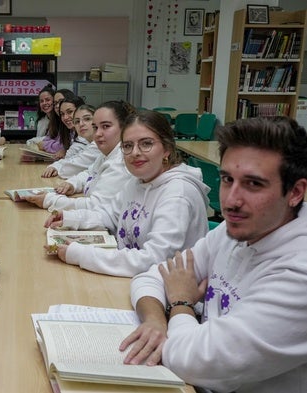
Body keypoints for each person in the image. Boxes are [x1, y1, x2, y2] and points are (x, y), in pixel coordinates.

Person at [121, 117, 307, 393]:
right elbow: (151, 276)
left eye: (254, 184)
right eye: (227, 179)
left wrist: (181, 302)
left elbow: (196, 362)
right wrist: (155, 321)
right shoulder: (236, 228)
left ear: (295, 192)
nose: (231, 201)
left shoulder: (298, 272)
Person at [43, 110, 209, 277]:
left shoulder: (178, 195)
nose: (135, 152)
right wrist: (70, 218)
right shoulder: (138, 180)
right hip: (135, 280)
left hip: (167, 292)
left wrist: (80, 254)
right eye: (128, 146)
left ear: (166, 149)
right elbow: (110, 215)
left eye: (146, 144)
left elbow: (152, 260)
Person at [25, 101, 134, 212]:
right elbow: (89, 173)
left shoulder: (121, 162)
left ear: (124, 127)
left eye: (106, 126)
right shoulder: (106, 153)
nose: (98, 133)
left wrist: (50, 200)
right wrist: (72, 184)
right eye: (95, 127)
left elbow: (95, 206)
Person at [41, 104, 101, 179]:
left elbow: (67, 171)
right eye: (77, 121)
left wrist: (58, 167)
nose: (81, 124)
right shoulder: (84, 140)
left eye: (87, 119)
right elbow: (70, 159)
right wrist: (55, 166)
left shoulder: (99, 145)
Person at [36, 89, 77, 158]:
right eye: (55, 103)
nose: (58, 106)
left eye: (61, 102)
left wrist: (46, 145)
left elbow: (67, 146)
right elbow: (47, 140)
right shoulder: (59, 120)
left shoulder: (73, 122)